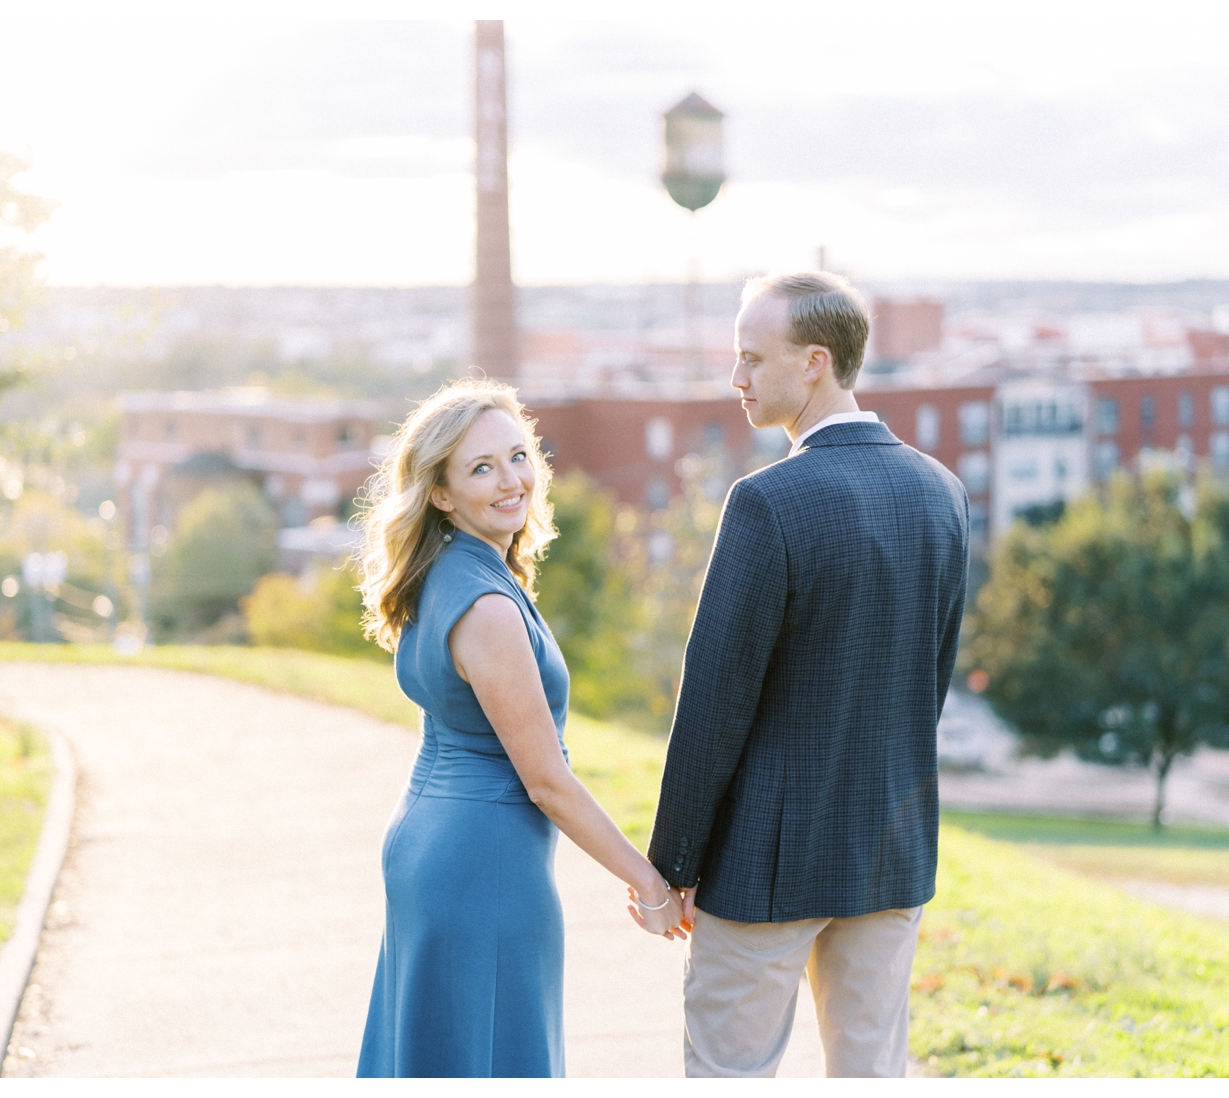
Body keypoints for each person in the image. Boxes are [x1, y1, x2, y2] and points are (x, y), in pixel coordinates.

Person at [647, 272, 970, 1078]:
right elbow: (928, 687)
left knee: (730, 1075)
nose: (738, 379)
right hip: (891, 853)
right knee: (872, 1075)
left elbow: (713, 704)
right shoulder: (945, 493)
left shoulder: (767, 503)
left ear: (815, 362)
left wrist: (674, 863)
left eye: (754, 358)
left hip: (765, 861)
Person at [354, 379, 687, 1078]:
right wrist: (649, 884)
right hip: (484, 863)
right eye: (481, 468)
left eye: (518, 457)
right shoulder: (486, 606)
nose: (512, 482)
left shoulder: (445, 572)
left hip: (437, 843)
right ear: (441, 494)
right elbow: (547, 781)